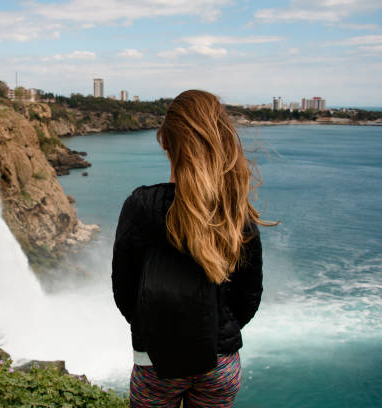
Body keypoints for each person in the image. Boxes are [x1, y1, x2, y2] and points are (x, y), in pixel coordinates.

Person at [112, 90, 272, 407]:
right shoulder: (234, 211)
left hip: (155, 360)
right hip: (220, 360)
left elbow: (125, 290)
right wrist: (217, 330)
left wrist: (154, 329)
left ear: (165, 142)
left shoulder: (141, 205)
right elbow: (248, 296)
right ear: (221, 141)